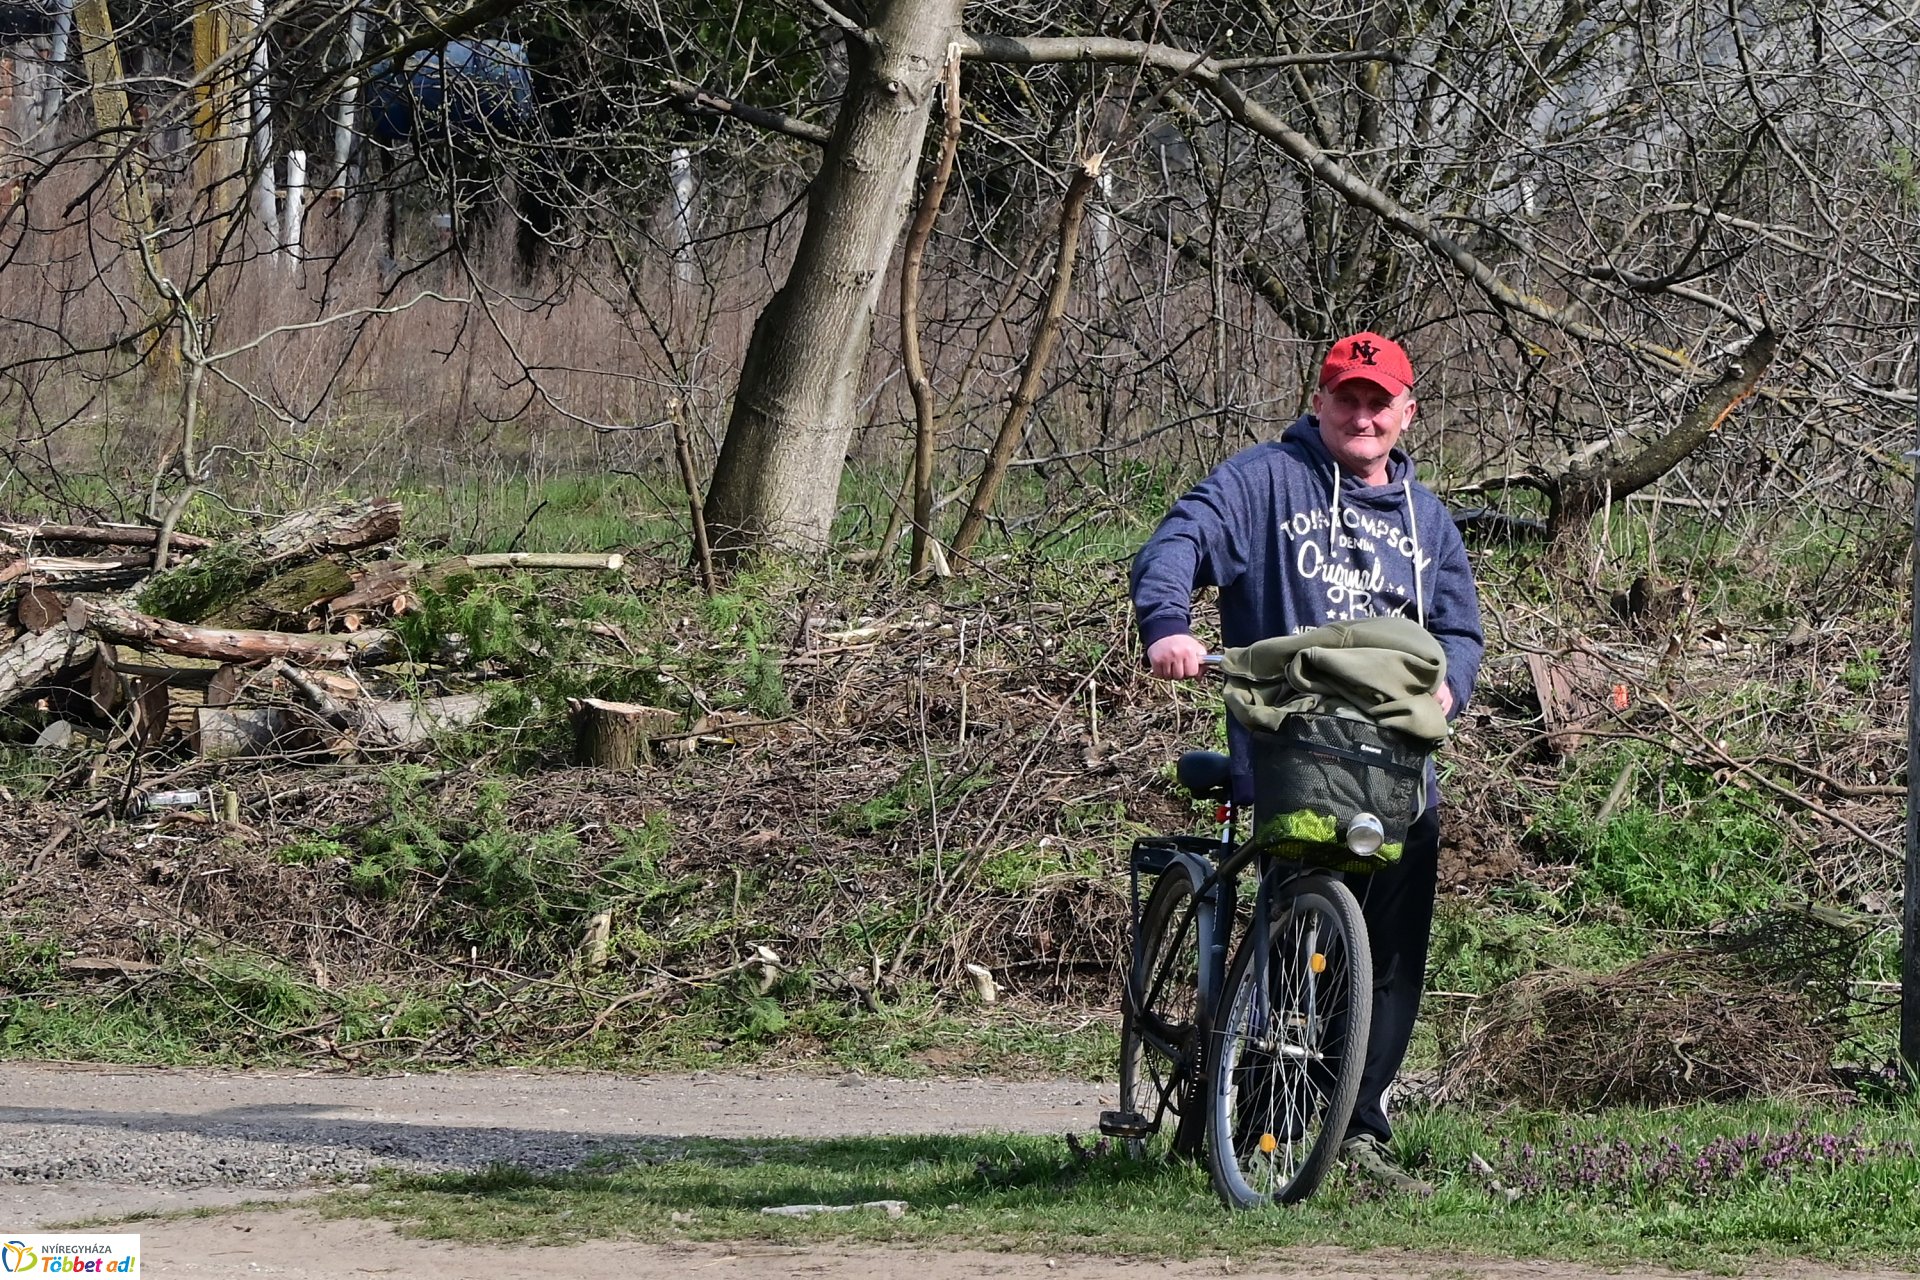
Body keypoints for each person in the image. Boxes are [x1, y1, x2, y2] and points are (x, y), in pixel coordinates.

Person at [1129, 331, 1484, 1195]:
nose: (1362, 415)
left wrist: (1453, 688)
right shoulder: (1264, 483)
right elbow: (1180, 538)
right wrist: (1169, 623)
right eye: (1346, 398)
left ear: (1407, 413)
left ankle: (1357, 1125)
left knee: (1390, 953)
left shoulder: (1427, 518)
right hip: (1295, 752)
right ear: (1319, 403)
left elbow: (1460, 629)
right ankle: (1262, 1116)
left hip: (1397, 766)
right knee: (1294, 936)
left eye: (1378, 401)